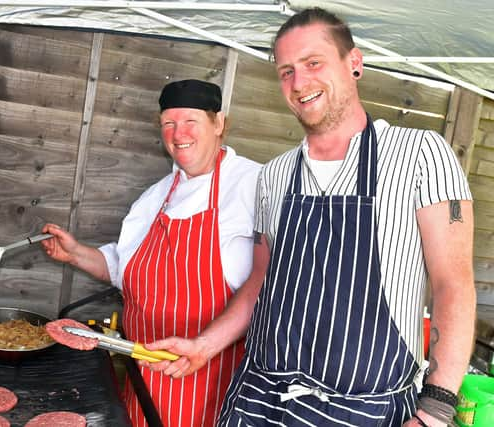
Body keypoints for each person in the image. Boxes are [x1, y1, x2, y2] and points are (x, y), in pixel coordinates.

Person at [144, 8, 475, 427]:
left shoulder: (420, 155)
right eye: (286, 72)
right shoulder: (276, 175)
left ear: (353, 63)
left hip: (364, 410)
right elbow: (260, 282)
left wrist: (435, 411)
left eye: (313, 63)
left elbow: (454, 286)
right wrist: (204, 346)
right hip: (259, 400)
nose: (299, 83)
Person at [41, 79, 261, 427]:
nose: (178, 133)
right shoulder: (156, 196)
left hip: (211, 383)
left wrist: (205, 347)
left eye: (190, 121)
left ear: (218, 124)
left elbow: (271, 284)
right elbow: (122, 269)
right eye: (168, 124)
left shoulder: (255, 186)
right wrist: (75, 254)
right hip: (145, 375)